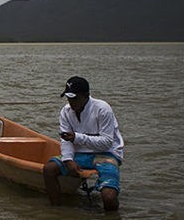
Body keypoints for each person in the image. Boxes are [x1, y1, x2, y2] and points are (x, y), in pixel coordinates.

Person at [43, 76, 124, 211]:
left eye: (75, 98)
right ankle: (55, 211)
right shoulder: (66, 111)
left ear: (86, 95)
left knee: (109, 197)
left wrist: (77, 138)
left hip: (107, 154)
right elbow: (65, 140)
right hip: (80, 153)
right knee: (49, 169)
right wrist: (68, 160)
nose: (71, 102)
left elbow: (106, 142)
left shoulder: (103, 109)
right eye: (68, 98)